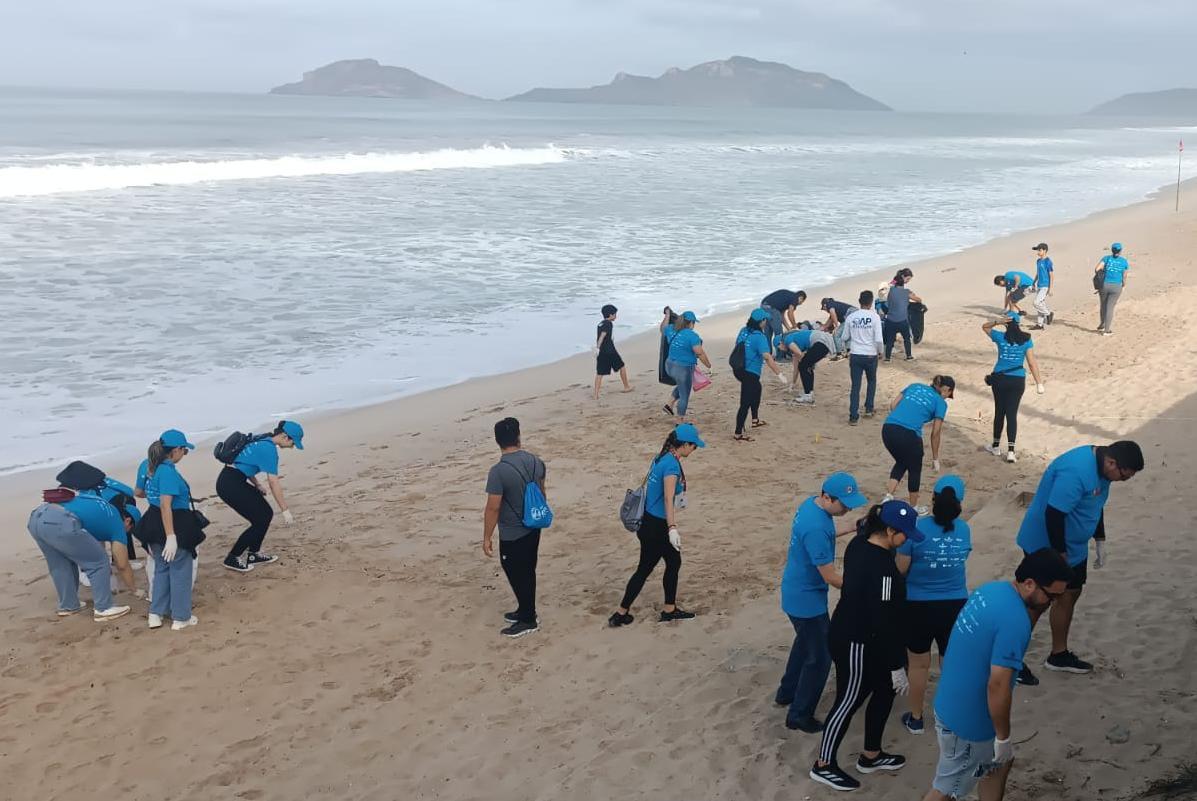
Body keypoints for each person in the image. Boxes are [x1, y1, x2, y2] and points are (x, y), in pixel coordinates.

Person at [921, 550, 1073, 801]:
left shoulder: (990, 591)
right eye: (1051, 596)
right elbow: (998, 685)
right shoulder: (1015, 621)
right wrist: (1003, 737)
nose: (1053, 603)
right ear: (1029, 584)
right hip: (970, 723)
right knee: (947, 788)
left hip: (948, 702)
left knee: (1000, 765)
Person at [810, 500, 922, 792]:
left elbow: (863, 526)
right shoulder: (883, 567)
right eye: (904, 534)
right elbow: (882, 620)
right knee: (848, 699)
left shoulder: (860, 544)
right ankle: (823, 765)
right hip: (856, 641)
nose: (907, 539)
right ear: (888, 530)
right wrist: (898, 664)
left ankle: (871, 755)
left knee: (884, 690)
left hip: (864, 637)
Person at [1014, 441, 1143, 684]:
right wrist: (1060, 557)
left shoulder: (1105, 470)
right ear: (1112, 463)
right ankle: (1012, 660)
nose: (1122, 480)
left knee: (1070, 594)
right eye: (1124, 476)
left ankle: (1058, 655)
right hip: (1046, 545)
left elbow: (1095, 504)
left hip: (1074, 548)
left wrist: (1100, 539)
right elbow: (1053, 515)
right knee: (1037, 602)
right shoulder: (1076, 471)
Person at [776, 472, 868, 733]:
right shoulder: (815, 527)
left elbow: (825, 533)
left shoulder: (811, 507)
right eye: (844, 504)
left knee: (804, 644)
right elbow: (830, 576)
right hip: (807, 600)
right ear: (827, 497)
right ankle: (799, 714)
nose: (848, 508)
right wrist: (861, 588)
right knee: (820, 657)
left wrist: (850, 527)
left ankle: (787, 692)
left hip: (797, 591)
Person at [896, 475, 971, 736]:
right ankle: (948, 718)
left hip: (918, 605)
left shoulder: (916, 529)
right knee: (950, 663)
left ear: (933, 499)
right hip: (955, 605)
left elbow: (901, 569)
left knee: (918, 665)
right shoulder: (964, 529)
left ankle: (916, 718)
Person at [609, 424, 704, 627]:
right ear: (685, 445)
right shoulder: (671, 465)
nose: (694, 450)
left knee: (662, 564)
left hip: (647, 521)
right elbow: (669, 499)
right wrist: (672, 528)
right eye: (694, 446)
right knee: (656, 566)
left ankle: (623, 612)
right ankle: (663, 610)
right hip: (658, 526)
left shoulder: (661, 457)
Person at [27, 484, 133, 621]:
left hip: (37, 516)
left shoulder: (102, 505)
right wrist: (134, 589)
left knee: (60, 563)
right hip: (60, 520)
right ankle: (104, 608)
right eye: (130, 529)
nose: (128, 533)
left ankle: (68, 605)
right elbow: (122, 563)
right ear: (128, 520)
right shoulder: (118, 524)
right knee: (98, 562)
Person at [483, 417, 548, 639]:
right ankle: (524, 609)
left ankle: (529, 617)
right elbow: (541, 491)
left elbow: (493, 507)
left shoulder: (498, 471)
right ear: (518, 436)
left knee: (515, 571)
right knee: (528, 569)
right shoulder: (535, 461)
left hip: (513, 531)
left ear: (497, 441)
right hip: (534, 525)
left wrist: (487, 537)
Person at [216, 420, 305, 573]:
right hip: (230, 485)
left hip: (231, 479)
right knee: (260, 520)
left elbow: (242, 463)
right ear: (284, 436)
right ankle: (232, 557)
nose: (292, 447)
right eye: (293, 443)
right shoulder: (269, 450)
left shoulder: (262, 439)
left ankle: (253, 554)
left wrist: (256, 484)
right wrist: (285, 510)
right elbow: (273, 482)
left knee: (265, 514)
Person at [138, 429, 204, 631]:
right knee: (179, 570)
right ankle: (181, 617)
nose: (184, 454)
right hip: (173, 522)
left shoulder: (148, 465)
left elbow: (140, 492)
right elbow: (167, 505)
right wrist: (171, 537)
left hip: (152, 520)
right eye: (184, 450)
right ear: (175, 450)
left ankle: (156, 614)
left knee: (161, 568)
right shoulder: (167, 472)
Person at [882, 376, 955, 513]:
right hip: (909, 434)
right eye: (949, 395)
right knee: (915, 468)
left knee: (902, 461)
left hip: (888, 428)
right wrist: (935, 458)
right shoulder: (940, 403)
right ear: (946, 390)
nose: (947, 398)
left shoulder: (914, 385)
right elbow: (936, 433)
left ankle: (888, 496)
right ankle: (914, 508)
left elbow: (893, 405)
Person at [981, 313, 1044, 465]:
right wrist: (1039, 383)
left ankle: (996, 446)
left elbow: (984, 326)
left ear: (1006, 324)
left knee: (999, 412)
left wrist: (998, 321)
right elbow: (1031, 363)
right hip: (1017, 379)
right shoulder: (1026, 339)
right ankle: (1010, 451)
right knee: (1011, 414)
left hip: (1000, 379)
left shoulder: (1001, 337)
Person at [732, 309, 787, 441]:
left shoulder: (743, 331)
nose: (766, 322)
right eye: (765, 320)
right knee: (745, 402)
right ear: (761, 322)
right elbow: (767, 357)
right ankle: (738, 433)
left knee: (757, 389)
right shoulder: (760, 337)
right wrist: (779, 374)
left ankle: (755, 420)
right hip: (750, 372)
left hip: (738, 368)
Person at [662, 311, 712, 422]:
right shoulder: (692, 336)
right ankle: (679, 422)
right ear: (691, 323)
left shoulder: (671, 329)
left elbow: (663, 327)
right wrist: (708, 365)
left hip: (669, 366)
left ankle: (669, 405)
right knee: (684, 395)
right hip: (683, 369)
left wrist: (667, 316)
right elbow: (699, 353)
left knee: (681, 385)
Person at [844, 290, 885, 426]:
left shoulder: (851, 317)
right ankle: (869, 408)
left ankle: (853, 416)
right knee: (871, 381)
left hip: (855, 354)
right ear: (871, 302)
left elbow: (844, 337)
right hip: (870, 353)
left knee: (855, 386)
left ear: (859, 301)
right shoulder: (874, 317)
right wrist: (881, 352)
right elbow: (879, 339)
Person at [781, 324, 837, 406]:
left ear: (780, 342)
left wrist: (807, 363)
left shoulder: (787, 340)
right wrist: (793, 383)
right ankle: (809, 393)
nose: (780, 350)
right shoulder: (795, 342)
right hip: (824, 340)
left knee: (804, 366)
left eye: (779, 347)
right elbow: (796, 367)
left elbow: (800, 355)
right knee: (805, 366)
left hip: (822, 342)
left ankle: (808, 395)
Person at [594, 304, 631, 399]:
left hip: (602, 352)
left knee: (600, 372)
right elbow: (602, 336)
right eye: (614, 314)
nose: (616, 316)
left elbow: (600, 337)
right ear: (610, 315)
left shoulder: (600, 324)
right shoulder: (608, 324)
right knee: (621, 366)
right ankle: (626, 387)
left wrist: (598, 349)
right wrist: (597, 347)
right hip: (610, 351)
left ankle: (596, 394)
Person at [883, 275, 922, 362]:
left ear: (895, 283)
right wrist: (910, 297)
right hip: (902, 321)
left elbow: (887, 303)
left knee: (890, 340)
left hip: (890, 320)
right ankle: (909, 356)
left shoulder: (891, 291)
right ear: (903, 283)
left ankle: (887, 358)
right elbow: (919, 300)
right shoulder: (906, 292)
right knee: (907, 339)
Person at [760, 288, 807, 358]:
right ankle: (780, 356)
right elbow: (790, 313)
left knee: (768, 334)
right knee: (779, 334)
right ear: (801, 298)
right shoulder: (795, 297)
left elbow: (782, 317)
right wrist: (794, 325)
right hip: (771, 308)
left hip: (763, 306)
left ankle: (767, 355)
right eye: (802, 302)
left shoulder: (785, 300)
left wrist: (789, 329)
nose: (800, 304)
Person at [1095, 242, 1129, 336]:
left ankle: (1102, 323)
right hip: (1116, 286)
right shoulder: (1124, 261)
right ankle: (1106, 330)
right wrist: (1124, 285)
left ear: (1112, 250)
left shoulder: (1106, 259)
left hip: (1104, 285)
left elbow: (1097, 268)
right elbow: (1124, 276)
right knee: (1110, 307)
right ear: (1120, 251)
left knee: (1103, 305)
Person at [1030, 243, 1054, 330]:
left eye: (1039, 250)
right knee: (1040, 304)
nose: (1038, 252)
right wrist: (1033, 282)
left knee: (1036, 303)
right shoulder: (1038, 261)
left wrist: (1050, 289)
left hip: (1045, 286)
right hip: (1039, 285)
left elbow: (1051, 275)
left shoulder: (1048, 261)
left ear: (1045, 251)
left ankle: (1048, 314)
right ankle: (1040, 325)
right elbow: (1038, 273)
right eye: (1037, 250)